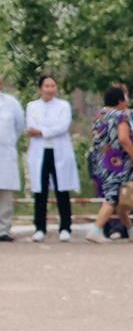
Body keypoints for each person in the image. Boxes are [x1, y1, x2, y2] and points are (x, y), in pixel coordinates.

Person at [87, 83, 133, 240]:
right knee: (112, 197)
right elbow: (123, 139)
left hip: (100, 159)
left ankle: (131, 230)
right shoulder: (121, 116)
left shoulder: (98, 115)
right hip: (115, 162)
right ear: (120, 100)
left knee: (118, 197)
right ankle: (95, 229)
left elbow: (93, 137)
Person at [23, 74, 75, 241]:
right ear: (39, 88)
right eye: (47, 86)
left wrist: (42, 131)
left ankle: (65, 227)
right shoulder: (32, 106)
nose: (50, 89)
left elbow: (63, 126)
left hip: (59, 151)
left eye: (53, 86)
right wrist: (44, 130)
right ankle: (40, 228)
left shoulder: (63, 105)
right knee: (40, 191)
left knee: (62, 190)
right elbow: (31, 128)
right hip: (40, 152)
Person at [0, 77, 22, 241]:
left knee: (5, 194)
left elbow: (19, 126)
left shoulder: (11, 103)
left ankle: (3, 230)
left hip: (5, 153)